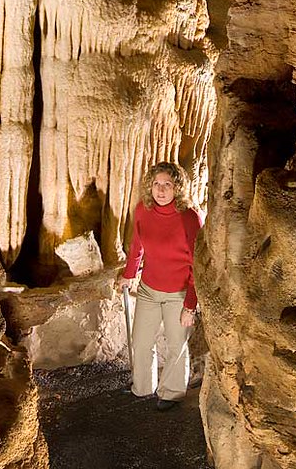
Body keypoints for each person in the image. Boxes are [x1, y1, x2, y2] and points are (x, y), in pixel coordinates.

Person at [119, 161, 202, 411]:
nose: (161, 190)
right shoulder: (143, 210)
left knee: (176, 345)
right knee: (142, 341)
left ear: (177, 188)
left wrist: (190, 306)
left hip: (178, 293)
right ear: (150, 187)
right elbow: (137, 246)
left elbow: (198, 265)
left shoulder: (189, 217)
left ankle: (171, 392)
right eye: (157, 184)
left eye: (167, 184)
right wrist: (129, 274)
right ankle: (143, 386)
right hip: (149, 290)